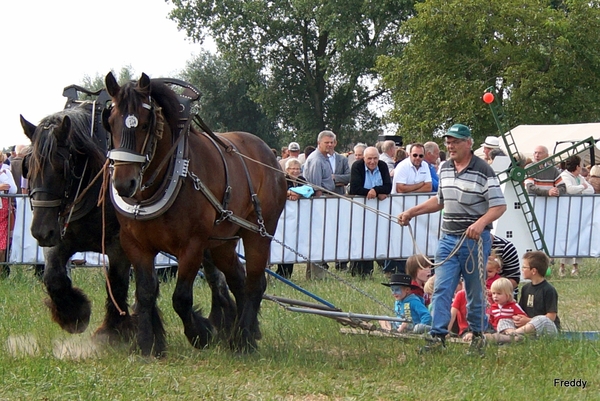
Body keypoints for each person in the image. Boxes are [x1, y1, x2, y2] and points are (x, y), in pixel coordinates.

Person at [398, 123, 507, 354]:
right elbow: (440, 201)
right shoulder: (445, 168)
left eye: (455, 141)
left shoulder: (484, 171)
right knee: (441, 288)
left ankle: (478, 336)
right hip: (448, 239)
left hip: (475, 242)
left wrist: (480, 224)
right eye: (448, 142)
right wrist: (411, 212)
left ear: (469, 143)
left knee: (474, 291)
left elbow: (499, 205)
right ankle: (437, 337)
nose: (450, 145)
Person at [493, 251, 560, 341]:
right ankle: (515, 337)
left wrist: (529, 321)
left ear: (533, 271)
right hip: (527, 328)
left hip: (545, 329)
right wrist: (517, 318)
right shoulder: (525, 288)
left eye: (524, 267)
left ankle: (513, 335)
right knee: (504, 320)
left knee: (541, 319)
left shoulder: (548, 290)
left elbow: (551, 317)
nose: (522, 269)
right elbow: (521, 310)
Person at [348, 146, 391, 277]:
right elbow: (354, 188)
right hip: (360, 209)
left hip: (378, 211)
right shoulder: (357, 166)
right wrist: (373, 192)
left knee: (376, 238)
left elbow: (388, 186)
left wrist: (376, 190)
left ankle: (373, 268)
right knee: (360, 238)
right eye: (369, 159)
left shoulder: (383, 166)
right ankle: (357, 270)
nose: (372, 161)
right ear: (364, 158)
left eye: (375, 158)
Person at [275, 158, 307, 279]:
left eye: (297, 169)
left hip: (297, 220)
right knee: (281, 243)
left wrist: (299, 194)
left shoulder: (301, 180)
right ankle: (280, 271)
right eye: (293, 169)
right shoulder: (282, 179)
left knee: (293, 243)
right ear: (287, 170)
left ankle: (288, 272)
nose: (295, 171)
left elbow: (310, 190)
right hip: (282, 218)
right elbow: (277, 191)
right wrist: (288, 193)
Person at [303, 131, 336, 196]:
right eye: (326, 142)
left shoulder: (324, 157)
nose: (330, 145)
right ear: (319, 143)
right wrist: (319, 202)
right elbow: (316, 187)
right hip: (321, 198)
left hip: (327, 196)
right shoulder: (316, 160)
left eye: (331, 142)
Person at [0, 162, 17, 277]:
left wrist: (4, 176)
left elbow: (14, 190)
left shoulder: (6, 172)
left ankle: (1, 272)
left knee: (2, 246)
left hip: (4, 211)